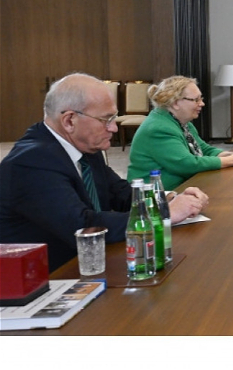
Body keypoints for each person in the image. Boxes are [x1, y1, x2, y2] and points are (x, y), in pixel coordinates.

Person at [0, 73, 209, 272]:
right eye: (106, 119)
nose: (114, 128)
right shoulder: (32, 162)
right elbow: (83, 227)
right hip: (50, 277)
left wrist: (168, 198)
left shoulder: (85, 146)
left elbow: (122, 194)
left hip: (92, 263)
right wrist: (163, 213)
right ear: (69, 120)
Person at [127, 75, 233, 190]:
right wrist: (231, 160)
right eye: (196, 100)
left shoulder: (180, 121)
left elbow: (204, 149)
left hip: (184, 187)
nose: (202, 103)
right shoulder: (158, 128)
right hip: (157, 197)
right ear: (175, 103)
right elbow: (187, 164)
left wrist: (229, 155)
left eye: (201, 98)